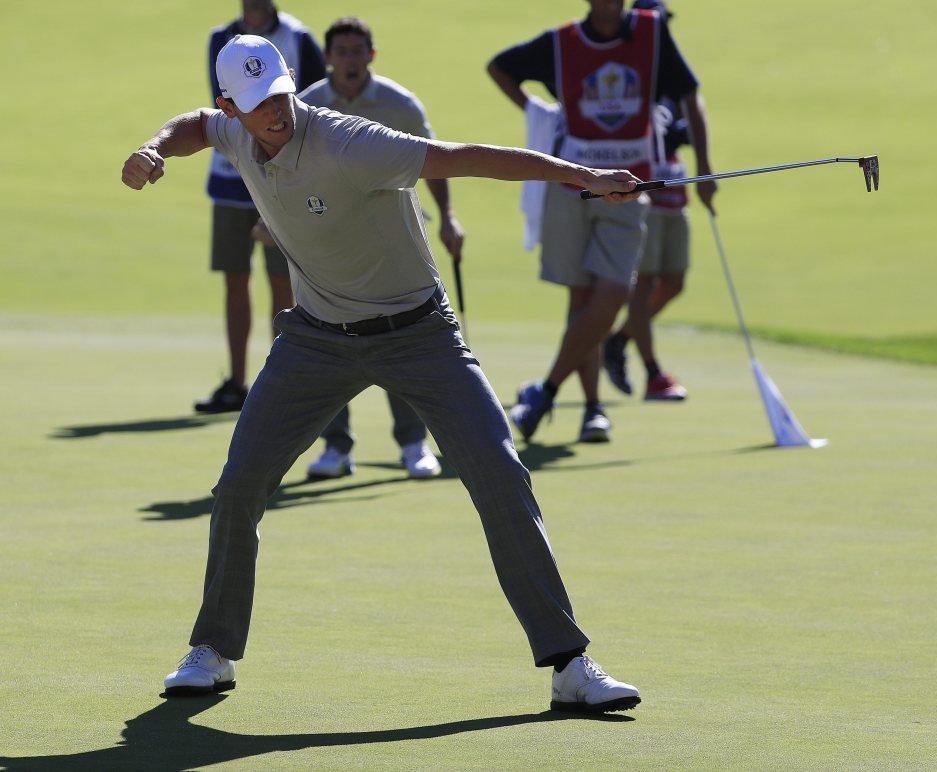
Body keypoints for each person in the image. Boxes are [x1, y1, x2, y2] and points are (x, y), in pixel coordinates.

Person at [122, 34, 643, 712]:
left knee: (497, 469)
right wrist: (155, 146)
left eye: (281, 95)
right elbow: (195, 124)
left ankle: (569, 665)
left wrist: (579, 175)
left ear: (291, 83)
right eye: (257, 104)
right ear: (234, 105)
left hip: (419, 331)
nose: (275, 112)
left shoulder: (348, 141)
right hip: (315, 339)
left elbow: (462, 157)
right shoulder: (233, 130)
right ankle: (212, 652)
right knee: (239, 483)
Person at [487, 0, 716, 443]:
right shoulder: (563, 40)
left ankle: (546, 390)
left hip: (630, 185)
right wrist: (540, 112)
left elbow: (690, 94)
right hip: (571, 183)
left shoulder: (650, 33)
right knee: (582, 300)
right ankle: (593, 410)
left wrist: (704, 166)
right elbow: (500, 68)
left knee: (612, 295)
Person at [296, 16, 465, 480]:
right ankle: (336, 448)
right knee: (329, 338)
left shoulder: (399, 104)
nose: (349, 60)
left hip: (395, 243)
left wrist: (448, 217)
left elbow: (435, 159)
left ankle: (413, 442)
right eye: (341, 52)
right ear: (329, 57)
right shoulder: (303, 106)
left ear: (371, 55)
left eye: (358, 51)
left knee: (400, 335)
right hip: (328, 246)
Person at [195, 0, 326, 414]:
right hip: (232, 175)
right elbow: (222, 105)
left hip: (287, 173)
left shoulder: (300, 38)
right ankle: (237, 382)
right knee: (235, 277)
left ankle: (280, 383)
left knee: (281, 281)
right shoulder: (220, 37)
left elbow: (314, 103)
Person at [602, 0, 700, 401]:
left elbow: (689, 112)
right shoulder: (629, 66)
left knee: (673, 282)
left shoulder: (671, 68)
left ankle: (619, 339)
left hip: (674, 185)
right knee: (641, 287)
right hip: (639, 187)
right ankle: (653, 372)